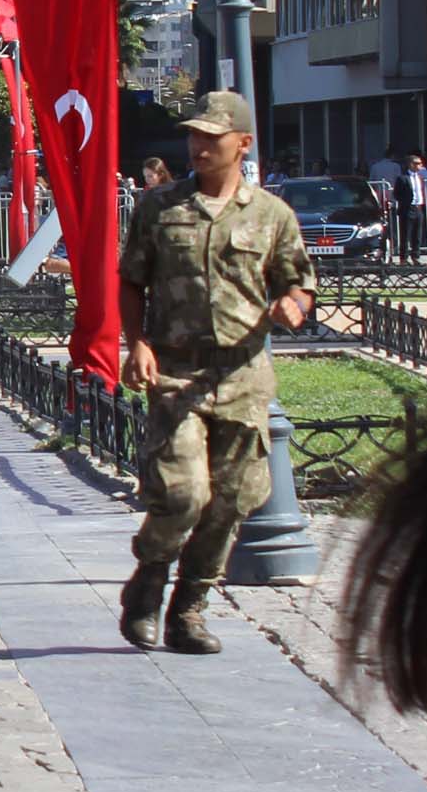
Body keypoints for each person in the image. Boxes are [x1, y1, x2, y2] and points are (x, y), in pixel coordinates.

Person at [115, 91, 316, 654]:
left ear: (242, 144)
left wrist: (293, 305)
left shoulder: (272, 214)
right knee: (183, 494)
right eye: (194, 136)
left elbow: (298, 281)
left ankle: (190, 608)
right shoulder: (159, 207)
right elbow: (131, 279)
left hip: (243, 377)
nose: (198, 146)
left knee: (230, 502)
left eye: (212, 137)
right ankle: (149, 581)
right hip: (176, 373)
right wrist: (138, 344)